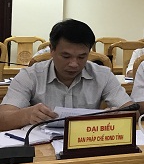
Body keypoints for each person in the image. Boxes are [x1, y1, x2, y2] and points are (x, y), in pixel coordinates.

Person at [0, 19, 133, 131]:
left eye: (81, 57)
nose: (74, 64)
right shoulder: (30, 76)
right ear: (52, 50)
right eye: (66, 56)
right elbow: (2, 119)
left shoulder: (102, 75)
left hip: (87, 142)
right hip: (41, 146)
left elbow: (133, 110)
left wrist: (118, 114)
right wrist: (26, 115)